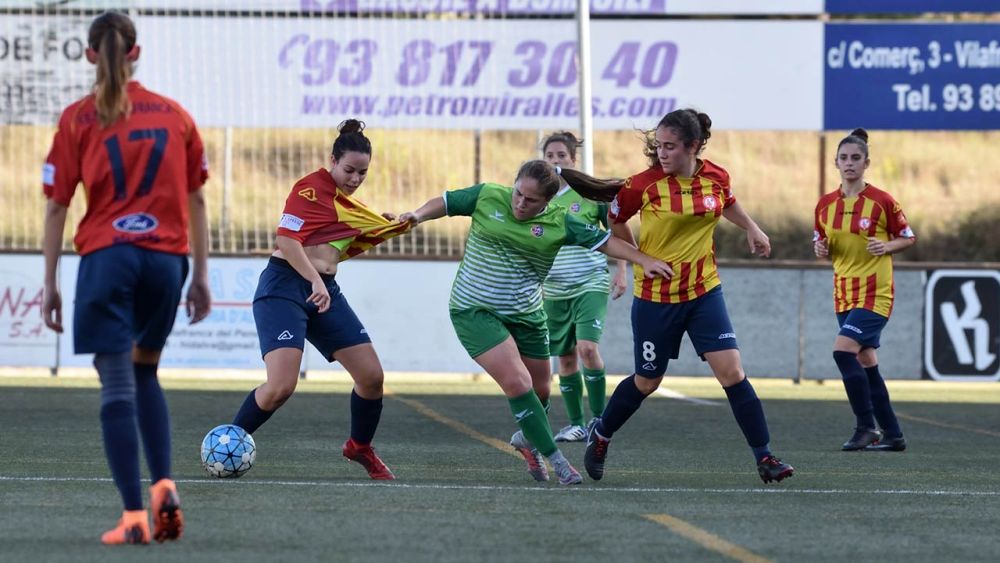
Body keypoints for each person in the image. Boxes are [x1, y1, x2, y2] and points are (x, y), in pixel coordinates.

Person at [41, 11, 211, 545]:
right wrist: (200, 275)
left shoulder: (76, 119)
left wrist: (50, 283)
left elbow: (56, 208)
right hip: (166, 261)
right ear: (136, 53)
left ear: (91, 55)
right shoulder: (176, 116)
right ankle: (164, 482)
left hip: (108, 257)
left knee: (116, 382)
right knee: (146, 374)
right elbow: (198, 198)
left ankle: (135, 516)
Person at [399, 160, 672, 485]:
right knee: (518, 383)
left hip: (527, 314)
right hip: (475, 311)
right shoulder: (487, 195)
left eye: (530, 200)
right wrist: (416, 215)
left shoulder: (560, 222)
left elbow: (606, 242)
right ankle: (557, 462)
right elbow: (444, 202)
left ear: (546, 203)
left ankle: (526, 440)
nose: (520, 203)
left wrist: (643, 260)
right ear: (513, 185)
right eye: (518, 193)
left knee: (542, 390)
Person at [559, 108, 794, 484]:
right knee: (647, 381)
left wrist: (753, 228)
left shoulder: (716, 176)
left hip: (704, 292)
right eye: (659, 146)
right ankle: (601, 433)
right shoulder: (642, 186)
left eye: (670, 147)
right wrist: (640, 258)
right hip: (657, 298)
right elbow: (615, 220)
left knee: (732, 372)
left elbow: (728, 202)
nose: (662, 153)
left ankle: (765, 457)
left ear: (694, 147)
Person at [228, 119, 410, 481]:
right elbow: (286, 240)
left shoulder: (346, 204)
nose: (356, 178)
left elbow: (349, 230)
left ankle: (360, 446)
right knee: (281, 387)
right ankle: (230, 441)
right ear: (332, 160)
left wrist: (387, 222)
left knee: (372, 377)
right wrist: (315, 279)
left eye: (363, 172)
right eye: (349, 170)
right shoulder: (310, 189)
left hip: (323, 291)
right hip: (284, 288)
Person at [814, 128, 915, 452]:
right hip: (843, 292)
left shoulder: (883, 201)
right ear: (836, 163)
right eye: (843, 158)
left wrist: (886, 246)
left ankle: (865, 427)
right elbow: (823, 242)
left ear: (867, 162)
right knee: (866, 359)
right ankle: (893, 434)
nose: (849, 164)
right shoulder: (825, 205)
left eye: (855, 158)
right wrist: (821, 249)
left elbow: (908, 237)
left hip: (875, 293)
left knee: (843, 351)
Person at [539, 132, 627, 442]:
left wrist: (621, 271)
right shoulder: (536, 199)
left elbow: (617, 236)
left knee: (587, 348)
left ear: (573, 160)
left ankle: (600, 422)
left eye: (561, 155)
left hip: (590, 282)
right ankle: (576, 423)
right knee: (564, 358)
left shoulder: (589, 196)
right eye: (549, 155)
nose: (555, 161)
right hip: (554, 290)